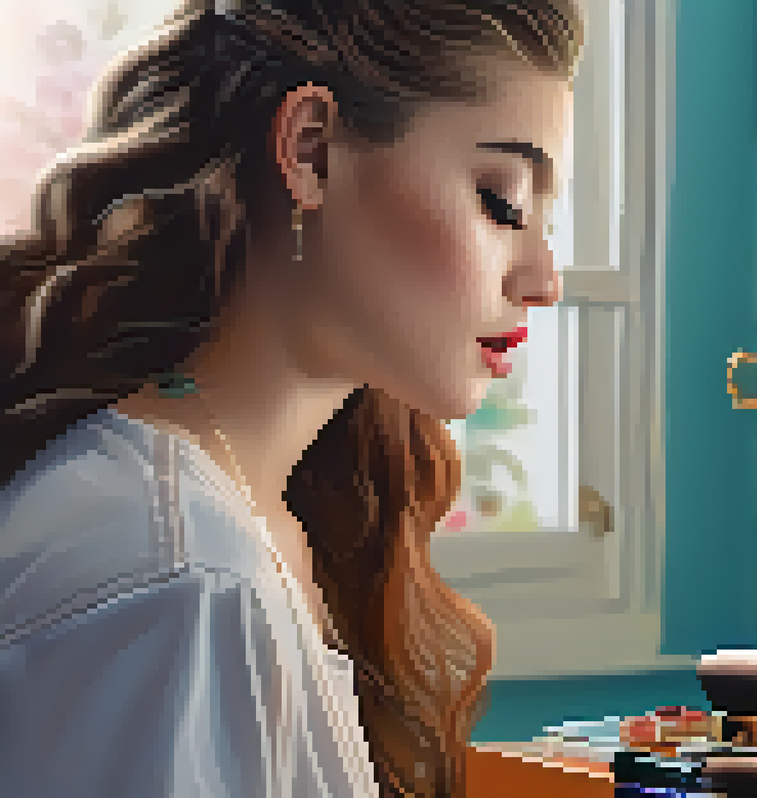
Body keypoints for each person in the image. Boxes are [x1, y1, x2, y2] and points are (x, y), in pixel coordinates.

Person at [0, 1, 581, 795]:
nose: (543, 280)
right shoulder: (182, 582)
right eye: (501, 201)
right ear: (311, 153)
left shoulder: (244, 517)